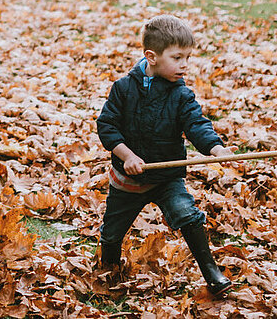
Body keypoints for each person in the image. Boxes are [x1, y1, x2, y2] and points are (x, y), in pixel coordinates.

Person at [96, 15, 236, 296]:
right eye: (177, 57)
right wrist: (127, 156)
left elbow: (196, 124)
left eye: (188, 57)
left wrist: (215, 147)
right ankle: (108, 266)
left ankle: (211, 271)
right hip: (128, 180)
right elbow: (107, 127)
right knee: (112, 233)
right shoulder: (123, 89)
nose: (185, 65)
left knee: (188, 214)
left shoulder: (181, 95)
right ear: (152, 56)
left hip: (166, 178)